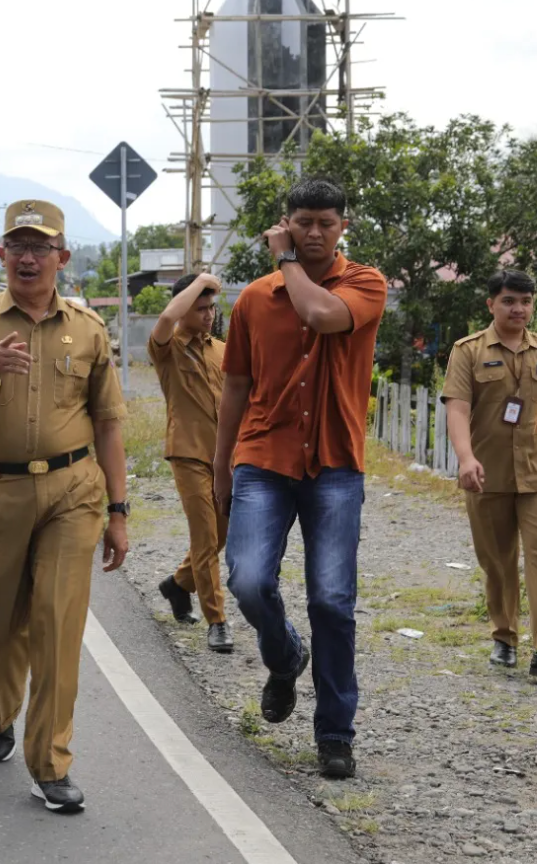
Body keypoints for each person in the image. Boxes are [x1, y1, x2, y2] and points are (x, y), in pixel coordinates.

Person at [0, 199, 129, 813]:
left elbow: (109, 424)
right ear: (2, 255)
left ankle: (50, 761)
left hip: (73, 491)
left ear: (62, 257)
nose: (28, 256)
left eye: (40, 246)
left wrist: (118, 511)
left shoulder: (89, 330)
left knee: (57, 624)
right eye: (17, 244)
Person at [213, 177, 387, 780]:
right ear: (287, 222)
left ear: (342, 227)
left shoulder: (365, 283)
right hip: (263, 458)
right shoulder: (254, 300)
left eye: (325, 223)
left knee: (333, 602)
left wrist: (285, 259)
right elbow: (235, 384)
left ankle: (336, 732)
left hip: (336, 465)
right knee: (249, 581)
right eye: (302, 222)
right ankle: (285, 659)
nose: (314, 233)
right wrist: (220, 467)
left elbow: (319, 313)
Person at [441, 269, 537, 673]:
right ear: (491, 304)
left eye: (526, 301)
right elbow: (458, 407)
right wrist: (465, 458)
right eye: (510, 301)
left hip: (535, 473)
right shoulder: (468, 351)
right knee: (497, 562)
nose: (519, 309)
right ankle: (504, 635)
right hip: (487, 474)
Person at [149, 271, 233, 653]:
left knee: (222, 535)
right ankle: (217, 620)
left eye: (212, 306)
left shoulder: (222, 349)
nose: (209, 314)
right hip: (188, 452)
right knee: (204, 537)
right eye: (200, 307)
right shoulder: (167, 346)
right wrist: (199, 281)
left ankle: (178, 585)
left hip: (225, 457)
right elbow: (167, 319)